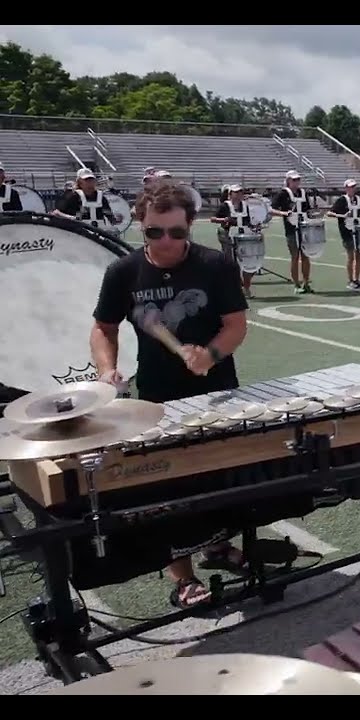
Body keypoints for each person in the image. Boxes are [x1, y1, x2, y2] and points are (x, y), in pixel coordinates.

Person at [89, 178, 251, 609]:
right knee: (169, 485)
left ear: (190, 226)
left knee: (220, 474)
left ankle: (217, 545)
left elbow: (236, 324)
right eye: (154, 232)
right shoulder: (123, 272)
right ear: (140, 224)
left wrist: (211, 354)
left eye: (177, 233)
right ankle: (183, 578)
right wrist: (107, 370)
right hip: (159, 394)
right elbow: (104, 329)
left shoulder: (214, 265)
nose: (166, 241)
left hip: (217, 390)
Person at [211, 184, 262, 298]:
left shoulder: (245, 206)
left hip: (242, 235)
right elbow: (213, 218)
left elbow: (247, 221)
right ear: (230, 194)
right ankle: (235, 288)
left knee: (248, 262)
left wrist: (254, 226)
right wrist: (223, 219)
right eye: (236, 192)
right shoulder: (225, 206)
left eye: (240, 192)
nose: (239, 195)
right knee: (231, 263)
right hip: (228, 235)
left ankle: (246, 287)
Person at [327, 179, 360, 290]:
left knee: (358, 255)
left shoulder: (357, 199)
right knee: (351, 255)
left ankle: (356, 279)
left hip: (357, 229)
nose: (352, 189)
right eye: (350, 187)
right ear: (346, 188)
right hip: (346, 230)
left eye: (354, 186)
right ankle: (350, 280)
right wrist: (343, 216)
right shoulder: (342, 200)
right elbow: (329, 213)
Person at [52, 168, 123, 230]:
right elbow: (56, 212)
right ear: (80, 182)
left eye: (91, 179)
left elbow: (110, 217)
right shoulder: (71, 196)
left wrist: (117, 219)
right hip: (78, 233)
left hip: (99, 234)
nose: (90, 183)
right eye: (86, 180)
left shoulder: (101, 197)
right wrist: (71, 218)